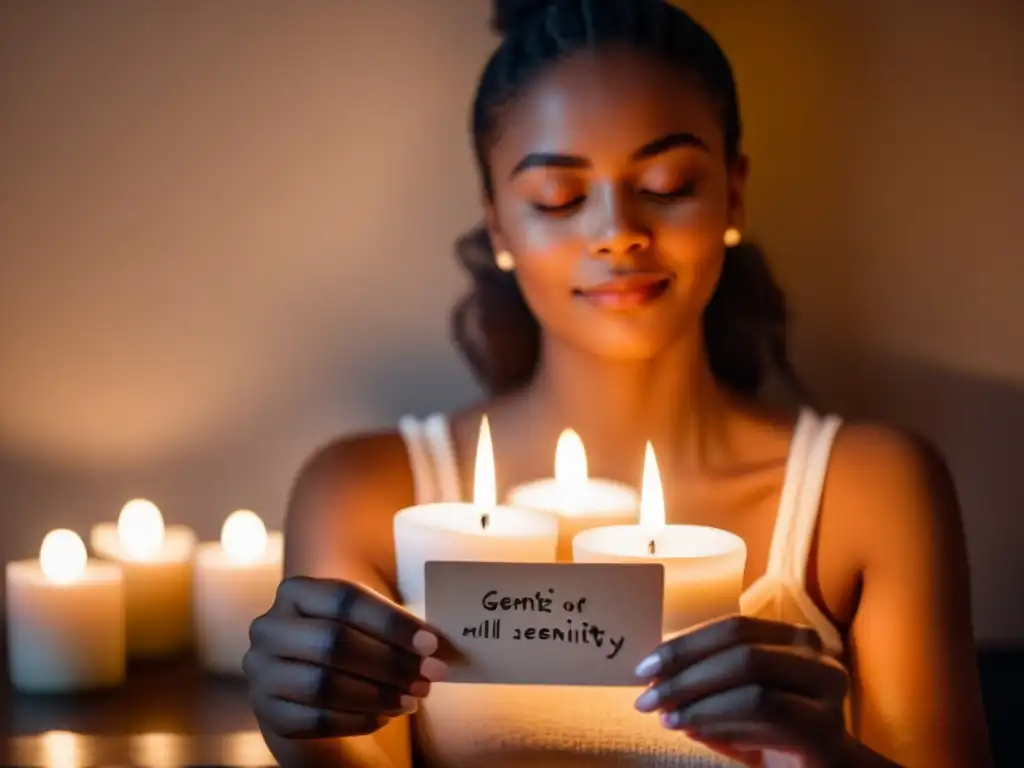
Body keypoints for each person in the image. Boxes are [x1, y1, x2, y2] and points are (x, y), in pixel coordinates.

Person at [242, 1, 992, 766]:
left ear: (734, 195)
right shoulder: (370, 495)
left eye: (667, 184)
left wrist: (826, 755)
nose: (617, 231)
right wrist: (301, 727)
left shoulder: (866, 492)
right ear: (499, 226)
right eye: (559, 199)